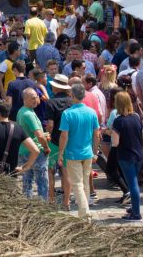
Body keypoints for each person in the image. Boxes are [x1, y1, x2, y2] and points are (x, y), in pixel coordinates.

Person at [57, 82, 100, 218]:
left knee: (77, 184)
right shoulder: (91, 112)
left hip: (72, 153)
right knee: (84, 184)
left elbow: (64, 135)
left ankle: (85, 213)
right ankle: (84, 212)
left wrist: (60, 153)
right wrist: (95, 152)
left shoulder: (67, 113)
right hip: (87, 153)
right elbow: (97, 134)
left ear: (72, 95)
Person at [111, 91, 143, 221]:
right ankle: (134, 208)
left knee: (132, 185)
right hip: (139, 154)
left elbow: (115, 143)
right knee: (134, 182)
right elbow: (142, 136)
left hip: (126, 156)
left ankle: (136, 214)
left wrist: (110, 131)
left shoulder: (118, 121)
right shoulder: (136, 117)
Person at [18, 87, 51, 200]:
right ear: (25, 99)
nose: (36, 100)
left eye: (36, 97)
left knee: (27, 180)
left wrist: (44, 135)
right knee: (42, 182)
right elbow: (39, 135)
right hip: (35, 152)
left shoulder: (23, 111)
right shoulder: (28, 114)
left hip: (25, 150)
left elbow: (30, 132)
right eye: (32, 98)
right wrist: (46, 147)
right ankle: (43, 207)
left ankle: (28, 205)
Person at [45, 74, 73, 205]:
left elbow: (50, 124)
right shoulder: (71, 101)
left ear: (55, 87)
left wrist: (47, 136)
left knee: (50, 171)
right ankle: (66, 202)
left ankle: (51, 199)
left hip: (54, 141)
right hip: (68, 140)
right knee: (66, 172)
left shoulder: (51, 102)